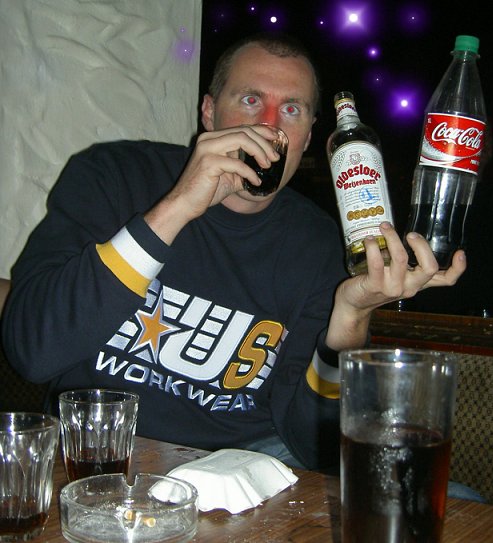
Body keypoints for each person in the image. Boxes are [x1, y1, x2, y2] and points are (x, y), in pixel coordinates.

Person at [1, 33, 466, 470]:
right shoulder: (114, 176)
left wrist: (351, 314)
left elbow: (316, 445)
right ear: (209, 113)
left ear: (307, 139)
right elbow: (32, 350)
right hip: (101, 454)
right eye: (250, 100)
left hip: (241, 468)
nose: (269, 125)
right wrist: (177, 208)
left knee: (448, 497)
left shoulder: (320, 245)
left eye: (291, 109)